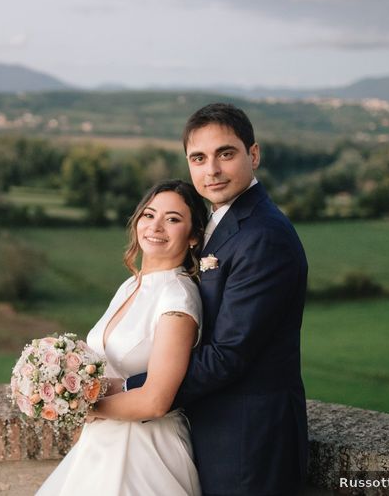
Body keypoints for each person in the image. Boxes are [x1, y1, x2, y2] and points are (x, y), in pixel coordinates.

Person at [126, 103, 309, 495]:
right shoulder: (221, 221)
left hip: (247, 439)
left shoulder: (264, 236)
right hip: (213, 429)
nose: (211, 170)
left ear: (253, 155)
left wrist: (134, 390)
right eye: (199, 158)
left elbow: (229, 353)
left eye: (225, 154)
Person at [37, 180, 208, 496]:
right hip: (99, 446)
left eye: (172, 219)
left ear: (194, 236)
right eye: (149, 214)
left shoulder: (177, 298)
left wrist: (81, 407)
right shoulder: (130, 287)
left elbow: (156, 401)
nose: (155, 226)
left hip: (145, 451)